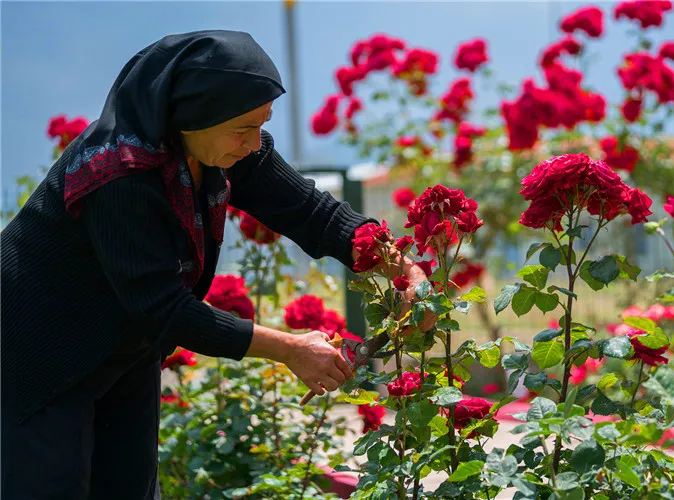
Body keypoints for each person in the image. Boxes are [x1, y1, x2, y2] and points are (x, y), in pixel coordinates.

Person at [0, 30, 427, 499]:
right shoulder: (119, 174)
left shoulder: (224, 148)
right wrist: (290, 349)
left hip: (123, 344)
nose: (254, 143)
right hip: (39, 352)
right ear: (191, 116)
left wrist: (401, 267)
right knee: (52, 486)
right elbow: (164, 308)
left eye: (261, 124)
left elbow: (312, 213)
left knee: (129, 486)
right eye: (243, 128)